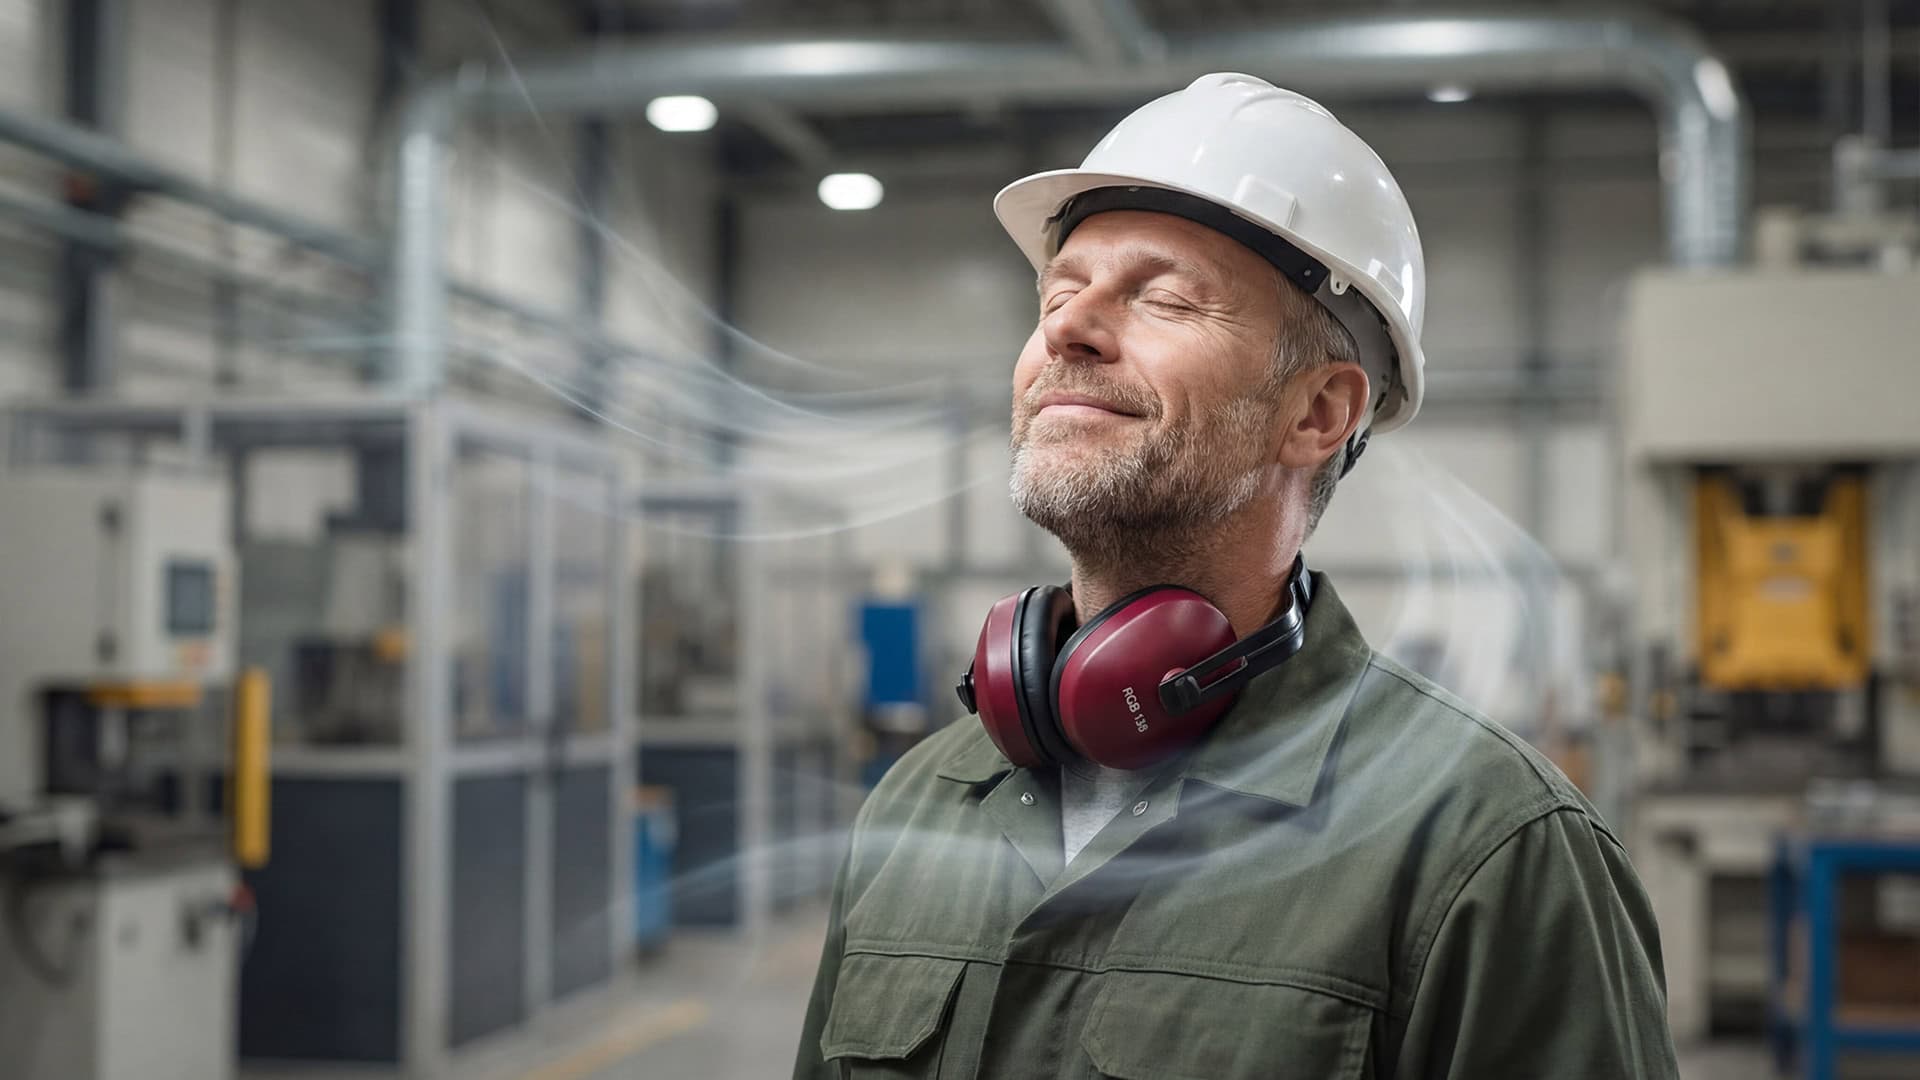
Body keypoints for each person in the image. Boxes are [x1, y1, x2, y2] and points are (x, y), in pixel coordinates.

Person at [793, 74, 1677, 1079]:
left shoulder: (1485, 848)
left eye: (1163, 297)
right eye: (1059, 293)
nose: (1067, 331)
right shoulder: (918, 806)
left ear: (1319, 415)